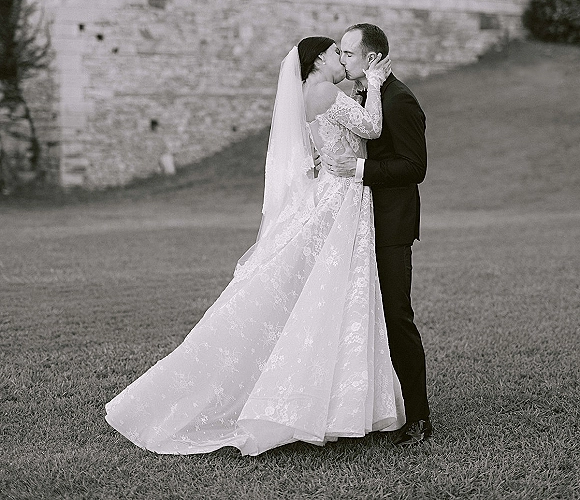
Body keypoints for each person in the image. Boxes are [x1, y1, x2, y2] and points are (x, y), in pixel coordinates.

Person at [105, 36, 405, 456]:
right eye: (337, 52)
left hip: (339, 193)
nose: (342, 58)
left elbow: (326, 143)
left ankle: (337, 400)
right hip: (342, 201)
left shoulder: (307, 94)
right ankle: (329, 402)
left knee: (333, 296)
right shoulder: (323, 90)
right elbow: (372, 128)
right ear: (319, 59)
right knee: (335, 295)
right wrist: (374, 82)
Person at [323, 23, 431, 445]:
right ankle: (372, 408)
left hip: (389, 226)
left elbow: (414, 167)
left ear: (370, 58)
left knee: (396, 317)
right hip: (356, 225)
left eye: (348, 54)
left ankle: (418, 416)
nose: (342, 60)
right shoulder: (360, 97)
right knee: (361, 317)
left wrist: (360, 171)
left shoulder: (400, 100)